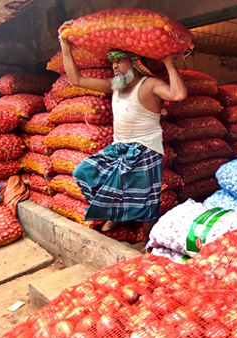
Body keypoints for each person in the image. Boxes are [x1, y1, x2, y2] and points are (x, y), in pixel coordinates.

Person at [58, 21, 187, 238]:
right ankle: (116, 214)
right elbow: (76, 79)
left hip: (146, 148)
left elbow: (178, 95)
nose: (115, 66)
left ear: (135, 63)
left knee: (146, 199)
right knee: (84, 173)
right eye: (113, 63)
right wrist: (64, 44)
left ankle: (148, 240)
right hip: (119, 147)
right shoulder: (113, 86)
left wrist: (168, 64)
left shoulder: (150, 84)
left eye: (120, 61)